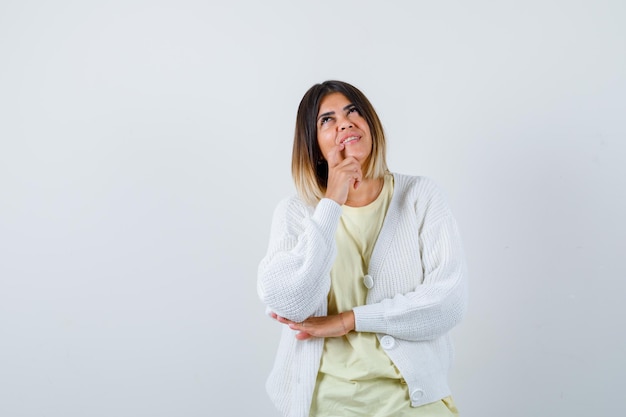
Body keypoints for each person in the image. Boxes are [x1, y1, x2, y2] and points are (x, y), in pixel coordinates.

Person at [257, 80, 468, 417]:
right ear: (313, 146)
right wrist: (331, 203)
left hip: (414, 401)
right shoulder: (297, 212)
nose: (344, 122)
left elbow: (447, 303)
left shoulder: (421, 196)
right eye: (327, 120)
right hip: (326, 403)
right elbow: (288, 301)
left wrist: (350, 320)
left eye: (352, 111)